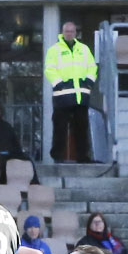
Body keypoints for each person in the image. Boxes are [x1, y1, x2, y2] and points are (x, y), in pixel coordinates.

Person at [46, 21, 98, 163]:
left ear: (76, 33)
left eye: (72, 31)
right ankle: (58, 156)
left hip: (81, 96)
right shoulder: (54, 50)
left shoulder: (84, 49)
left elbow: (92, 67)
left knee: (81, 128)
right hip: (62, 97)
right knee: (60, 128)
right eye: (67, 31)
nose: (69, 33)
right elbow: (49, 69)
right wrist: (59, 84)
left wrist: (89, 82)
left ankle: (83, 156)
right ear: (63, 32)